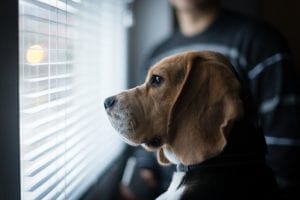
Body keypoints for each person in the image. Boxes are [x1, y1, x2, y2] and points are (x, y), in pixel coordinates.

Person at [120, 0, 300, 199]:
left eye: (155, 81)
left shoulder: (260, 41)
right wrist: (143, 166)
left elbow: (285, 145)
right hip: (167, 187)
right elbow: (150, 124)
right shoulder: (157, 54)